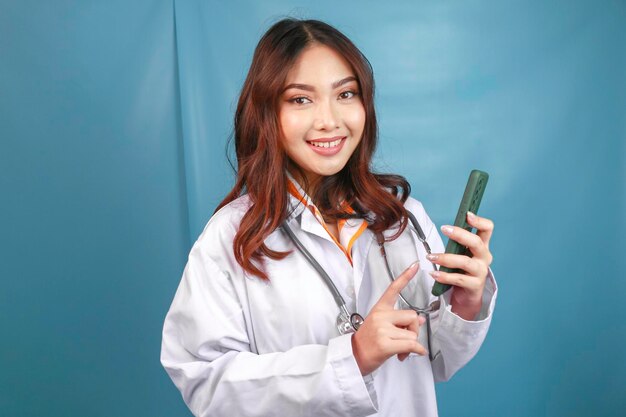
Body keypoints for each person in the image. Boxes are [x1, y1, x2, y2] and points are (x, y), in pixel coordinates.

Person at [161, 18, 497, 417]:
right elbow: (206, 384)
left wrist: (464, 303)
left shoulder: (402, 217)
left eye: (346, 94)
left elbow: (438, 359)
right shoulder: (230, 237)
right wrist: (350, 359)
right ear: (267, 111)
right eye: (301, 99)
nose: (330, 120)